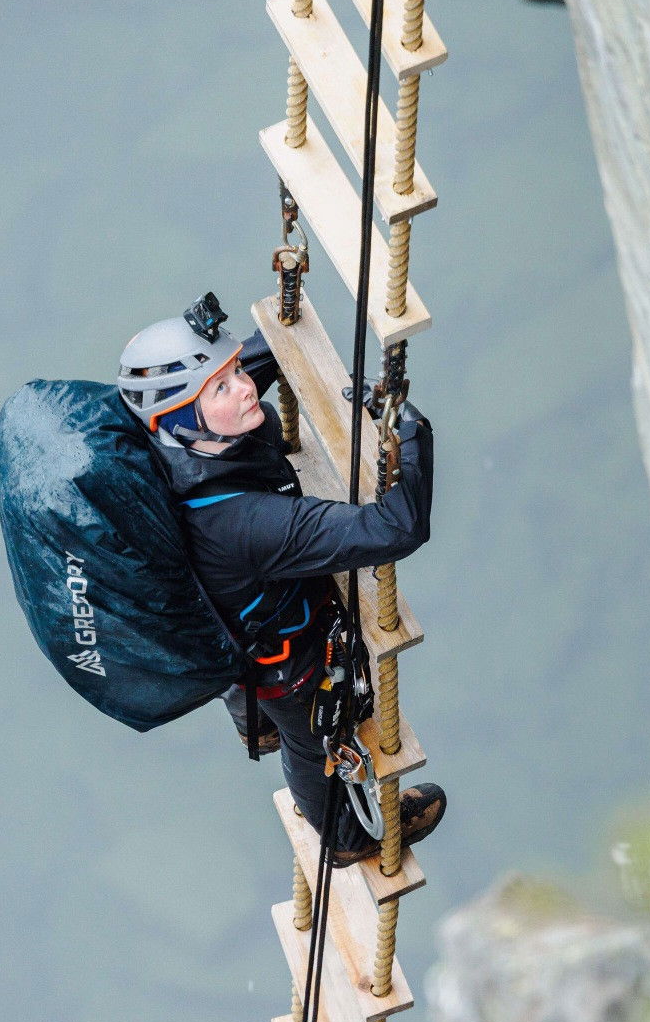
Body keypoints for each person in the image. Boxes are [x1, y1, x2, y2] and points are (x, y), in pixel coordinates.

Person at [117, 296, 447, 867]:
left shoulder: (162, 443)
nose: (245, 388)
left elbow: (248, 367)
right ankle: (343, 836)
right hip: (283, 662)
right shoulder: (247, 523)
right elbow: (398, 527)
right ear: (177, 419)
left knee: (255, 689)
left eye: (237, 373)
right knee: (306, 735)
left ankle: (255, 723)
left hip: (228, 617)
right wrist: (413, 434)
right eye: (220, 388)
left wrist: (275, 339)